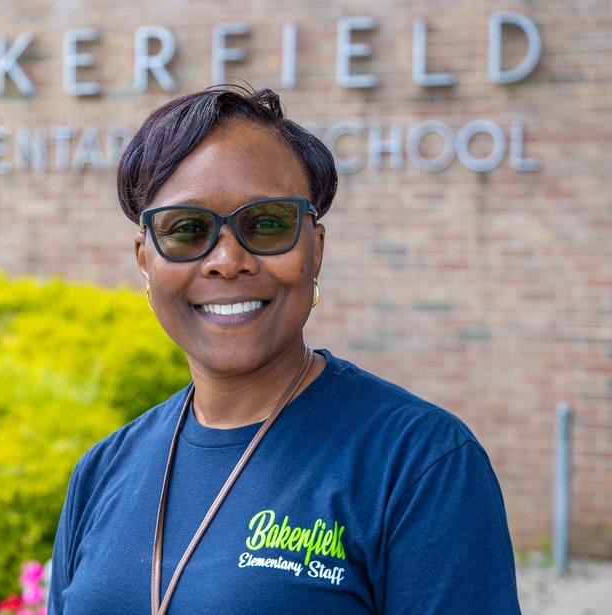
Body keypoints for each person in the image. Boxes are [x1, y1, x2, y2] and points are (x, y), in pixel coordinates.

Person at [48, 85, 521, 614]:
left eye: (267, 224)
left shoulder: (419, 464)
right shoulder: (103, 471)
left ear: (314, 250)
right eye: (186, 230)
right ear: (145, 261)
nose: (228, 260)